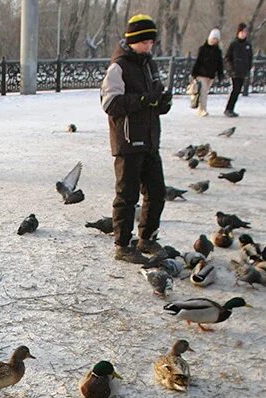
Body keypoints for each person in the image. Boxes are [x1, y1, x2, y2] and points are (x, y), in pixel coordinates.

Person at [100, 14, 172, 262]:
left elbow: (155, 100)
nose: (149, 45)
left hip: (150, 139)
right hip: (128, 141)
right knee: (127, 195)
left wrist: (162, 102)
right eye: (145, 41)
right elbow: (109, 103)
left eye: (152, 41)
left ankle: (147, 238)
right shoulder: (118, 66)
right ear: (133, 40)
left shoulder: (149, 65)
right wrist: (142, 100)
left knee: (156, 192)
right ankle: (122, 244)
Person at [191, 28, 224, 118]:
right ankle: (202, 110)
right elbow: (198, 61)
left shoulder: (218, 51)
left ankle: (201, 108)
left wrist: (220, 74)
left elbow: (219, 64)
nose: (215, 40)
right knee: (203, 92)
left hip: (211, 76)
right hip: (201, 74)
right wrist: (194, 73)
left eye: (216, 39)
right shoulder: (202, 49)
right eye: (213, 38)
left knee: (204, 92)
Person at [224, 23, 253, 118]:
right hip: (235, 71)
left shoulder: (247, 45)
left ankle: (231, 108)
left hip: (242, 71)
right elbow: (228, 57)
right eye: (242, 32)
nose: (243, 34)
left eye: (245, 32)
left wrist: (248, 68)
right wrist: (231, 68)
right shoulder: (234, 44)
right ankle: (229, 109)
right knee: (235, 90)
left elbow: (249, 58)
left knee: (237, 90)